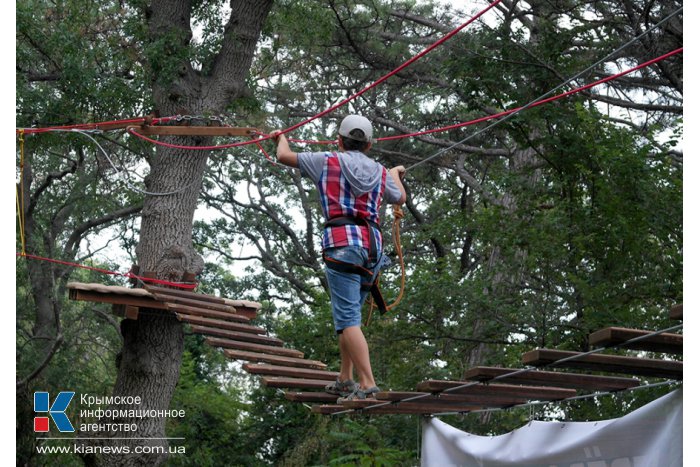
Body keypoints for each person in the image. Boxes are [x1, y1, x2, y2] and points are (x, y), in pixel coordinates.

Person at [269, 115, 406, 402]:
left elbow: (284, 155)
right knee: (350, 317)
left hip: (342, 244)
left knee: (347, 320)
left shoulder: (327, 160)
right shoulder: (380, 172)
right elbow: (399, 198)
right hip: (372, 249)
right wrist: (393, 173)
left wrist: (279, 136)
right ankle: (345, 378)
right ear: (368, 145)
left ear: (340, 140)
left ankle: (368, 385)